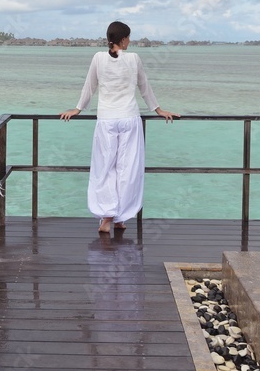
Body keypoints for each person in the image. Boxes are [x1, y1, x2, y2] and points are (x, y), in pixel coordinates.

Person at [60, 21, 179, 234]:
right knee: (127, 170)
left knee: (105, 169)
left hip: (107, 120)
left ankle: (107, 218)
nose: (130, 42)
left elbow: (90, 87)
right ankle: (120, 217)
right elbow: (144, 87)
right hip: (129, 119)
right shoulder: (134, 59)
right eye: (129, 38)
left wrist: (78, 108)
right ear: (123, 40)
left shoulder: (98, 58)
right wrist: (158, 110)